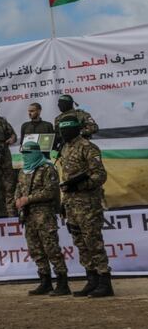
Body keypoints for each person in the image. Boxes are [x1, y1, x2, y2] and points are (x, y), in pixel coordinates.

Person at [57, 119, 112, 297]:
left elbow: (100, 175)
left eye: (66, 130)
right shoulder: (65, 148)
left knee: (93, 242)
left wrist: (80, 185)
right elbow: (66, 178)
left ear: (75, 130)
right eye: (61, 131)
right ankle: (92, 280)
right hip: (72, 204)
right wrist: (64, 202)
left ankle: (105, 282)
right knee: (80, 243)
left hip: (88, 204)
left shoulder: (88, 147)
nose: (63, 134)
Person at [14, 141, 69, 296]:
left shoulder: (47, 168)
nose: (26, 156)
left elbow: (50, 192)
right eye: (24, 154)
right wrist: (17, 200)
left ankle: (62, 283)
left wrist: (28, 199)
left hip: (44, 216)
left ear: (36, 153)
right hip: (28, 216)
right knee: (36, 250)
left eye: (28, 153)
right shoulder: (23, 171)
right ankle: (45, 282)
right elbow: (18, 188)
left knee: (52, 249)